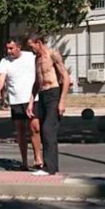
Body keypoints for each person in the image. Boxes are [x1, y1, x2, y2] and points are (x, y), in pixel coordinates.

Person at [0, 39, 42, 171]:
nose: (9, 51)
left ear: (19, 47)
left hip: (32, 98)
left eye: (11, 48)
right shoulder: (4, 62)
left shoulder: (30, 57)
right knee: (21, 131)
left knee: (35, 128)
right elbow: (1, 77)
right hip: (16, 100)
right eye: (7, 48)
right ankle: (24, 162)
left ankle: (38, 158)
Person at [27, 34, 70, 175]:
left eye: (31, 46)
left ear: (38, 42)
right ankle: (50, 166)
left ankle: (49, 168)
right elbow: (36, 82)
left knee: (47, 129)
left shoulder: (53, 55)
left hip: (54, 94)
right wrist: (31, 102)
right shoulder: (36, 60)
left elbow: (66, 78)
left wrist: (62, 101)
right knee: (43, 130)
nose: (31, 50)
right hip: (43, 95)